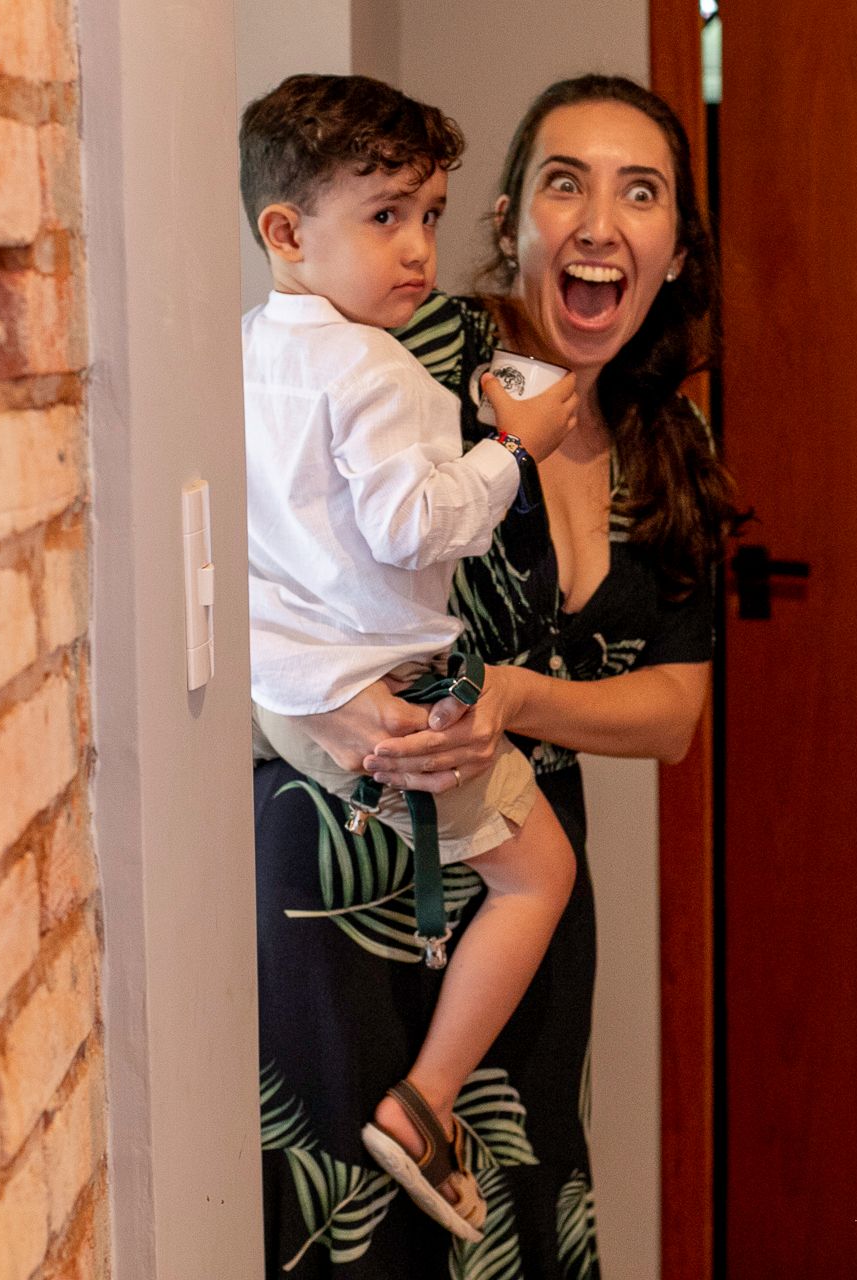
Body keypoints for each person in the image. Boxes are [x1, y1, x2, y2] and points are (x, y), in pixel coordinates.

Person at [255, 74, 739, 1278]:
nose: (599, 223)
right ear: (513, 218)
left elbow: (673, 713)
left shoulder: (672, 445)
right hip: (360, 853)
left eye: (641, 193)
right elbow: (264, 530)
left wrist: (517, 698)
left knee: (516, 1215)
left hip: (525, 890)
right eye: (565, 184)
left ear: (676, 250)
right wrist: (318, 693)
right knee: (353, 1231)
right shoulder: (413, 350)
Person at [239, 73, 584, 1242]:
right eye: (384, 215)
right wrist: (513, 449)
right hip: (388, 693)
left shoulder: (249, 351)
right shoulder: (376, 368)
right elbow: (412, 526)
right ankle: (426, 1100)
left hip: (290, 697)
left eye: (429, 214)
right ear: (287, 231)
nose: (418, 248)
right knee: (540, 873)